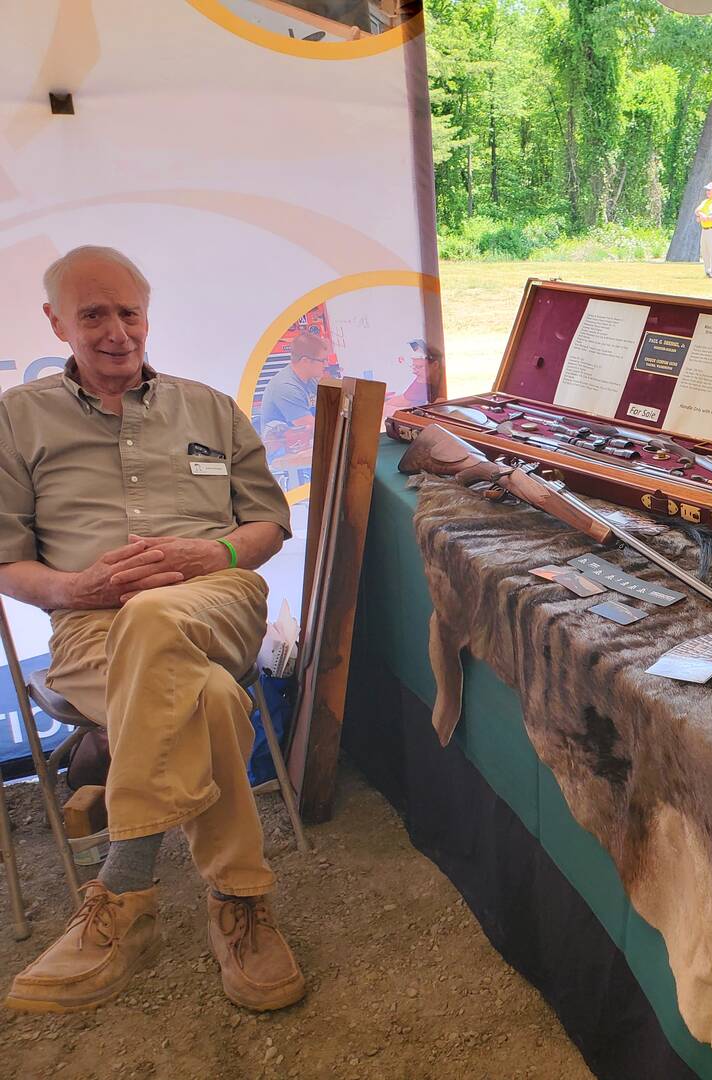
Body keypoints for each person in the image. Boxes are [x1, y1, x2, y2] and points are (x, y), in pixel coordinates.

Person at [0, 246, 305, 1013]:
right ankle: (240, 902)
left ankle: (125, 886)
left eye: (128, 312)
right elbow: (5, 560)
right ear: (57, 324)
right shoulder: (15, 420)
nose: (116, 331)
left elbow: (269, 524)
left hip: (217, 599)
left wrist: (213, 552)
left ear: (147, 314)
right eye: (93, 315)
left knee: (154, 614)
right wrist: (72, 587)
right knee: (211, 701)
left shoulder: (209, 408)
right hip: (88, 628)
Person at [258, 330, 329, 458]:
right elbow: (314, 427)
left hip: (301, 446)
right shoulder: (286, 387)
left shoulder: (310, 380)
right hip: (281, 456)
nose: (326, 364)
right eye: (322, 360)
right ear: (305, 361)